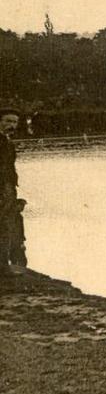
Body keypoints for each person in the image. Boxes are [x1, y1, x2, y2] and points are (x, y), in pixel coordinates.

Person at [0, 108, 19, 275]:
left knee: (6, 226)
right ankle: (3, 267)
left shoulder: (7, 141)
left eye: (14, 122)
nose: (11, 125)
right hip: (2, 189)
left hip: (8, 188)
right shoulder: (2, 142)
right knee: (4, 226)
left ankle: (3, 265)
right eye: (8, 121)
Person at [9, 198, 27, 267]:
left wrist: (22, 242)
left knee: (19, 259)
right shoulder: (14, 216)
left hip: (17, 241)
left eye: (23, 206)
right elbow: (19, 231)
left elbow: (21, 231)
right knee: (18, 259)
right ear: (17, 205)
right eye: (21, 205)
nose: (23, 208)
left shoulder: (19, 217)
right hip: (14, 241)